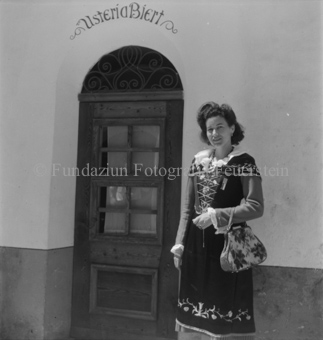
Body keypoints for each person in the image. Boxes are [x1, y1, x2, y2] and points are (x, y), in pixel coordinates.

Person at [171, 102, 264, 340]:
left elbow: (255, 206)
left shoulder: (244, 161)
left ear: (232, 128)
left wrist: (216, 215)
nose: (214, 133)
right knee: (194, 312)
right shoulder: (198, 161)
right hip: (195, 249)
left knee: (224, 314)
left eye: (220, 127)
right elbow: (187, 209)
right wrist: (180, 244)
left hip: (228, 249)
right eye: (209, 129)